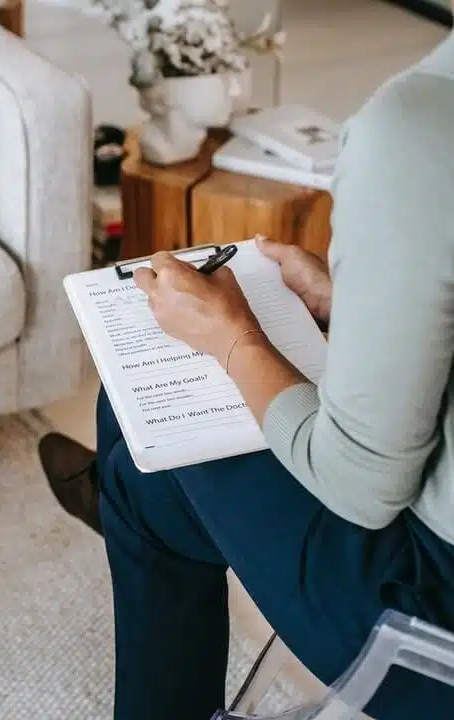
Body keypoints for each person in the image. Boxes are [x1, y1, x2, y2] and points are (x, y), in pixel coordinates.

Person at [38, 31, 454, 720]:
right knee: (145, 450)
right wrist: (355, 304)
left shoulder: (419, 125)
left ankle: (124, 508)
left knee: (144, 454)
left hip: (427, 622)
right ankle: (128, 507)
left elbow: (362, 481)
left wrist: (230, 336)